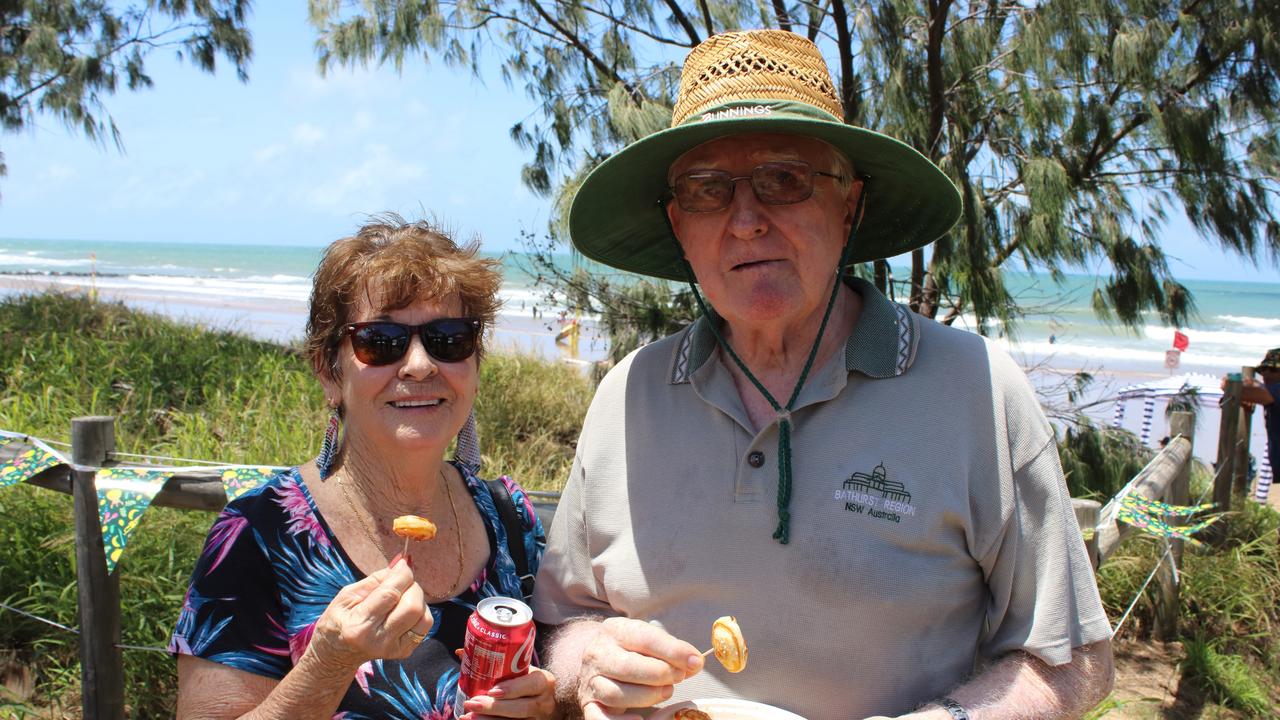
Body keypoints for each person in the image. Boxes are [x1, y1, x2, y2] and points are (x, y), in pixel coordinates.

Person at [532, 30, 1114, 720]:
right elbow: (562, 623)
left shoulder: (976, 391)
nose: (746, 221)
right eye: (706, 190)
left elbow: (1071, 658)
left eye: (785, 180)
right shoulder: (626, 397)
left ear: (850, 206)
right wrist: (589, 661)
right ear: (679, 229)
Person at [170, 217, 556, 719]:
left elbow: (553, 674)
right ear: (329, 372)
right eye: (380, 341)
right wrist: (329, 662)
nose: (419, 365)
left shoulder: (509, 515)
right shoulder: (259, 534)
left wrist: (548, 705)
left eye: (449, 338)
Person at [1241, 348, 1279, 486]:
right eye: (1263, 370)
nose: (1265, 374)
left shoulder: (1276, 389)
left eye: (1272, 370)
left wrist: (1233, 385)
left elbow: (1247, 390)